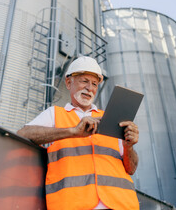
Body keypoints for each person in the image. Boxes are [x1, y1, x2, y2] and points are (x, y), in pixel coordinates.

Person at [17, 56, 140, 210]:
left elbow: (131, 169)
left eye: (94, 84)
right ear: (69, 83)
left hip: (121, 205)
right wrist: (73, 131)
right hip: (73, 205)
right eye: (84, 81)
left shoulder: (110, 118)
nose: (90, 88)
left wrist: (129, 146)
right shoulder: (55, 114)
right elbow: (23, 134)